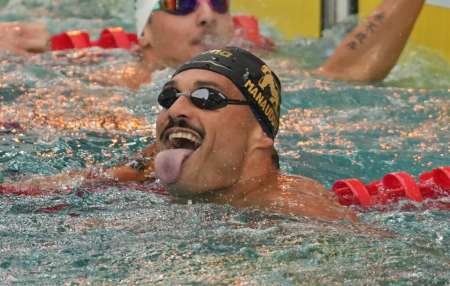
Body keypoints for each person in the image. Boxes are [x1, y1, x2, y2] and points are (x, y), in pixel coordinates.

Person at [0, 47, 357, 222]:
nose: (176, 110)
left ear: (259, 134)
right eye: (169, 97)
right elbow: (40, 190)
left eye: (207, 97)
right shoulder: (149, 171)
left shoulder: (297, 213)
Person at [0, 0, 426, 88]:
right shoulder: (105, 87)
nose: (206, 14)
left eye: (216, 0)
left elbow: (342, 78)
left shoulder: (264, 71)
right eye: (181, 3)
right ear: (142, 32)